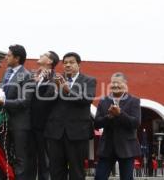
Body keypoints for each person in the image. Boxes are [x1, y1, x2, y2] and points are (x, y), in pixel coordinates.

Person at [44, 52, 97, 180]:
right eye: (65, 63)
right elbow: (45, 101)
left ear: (79, 64)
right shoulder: (55, 80)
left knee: (77, 171)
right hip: (56, 133)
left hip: (78, 133)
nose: (68, 65)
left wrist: (68, 90)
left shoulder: (89, 80)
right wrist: (55, 89)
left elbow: (87, 99)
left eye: (71, 62)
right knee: (56, 170)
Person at [0, 44, 33, 180]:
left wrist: (4, 103)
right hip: (4, 123)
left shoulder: (27, 76)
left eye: (9, 55)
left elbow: (24, 101)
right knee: (2, 156)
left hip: (19, 125)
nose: (6, 57)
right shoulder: (7, 73)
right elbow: (1, 92)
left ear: (17, 58)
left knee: (20, 159)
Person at [94, 72, 141, 180]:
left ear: (125, 84)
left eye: (118, 83)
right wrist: (108, 117)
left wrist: (120, 114)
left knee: (126, 178)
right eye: (113, 83)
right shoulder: (104, 101)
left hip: (127, 147)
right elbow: (96, 123)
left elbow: (136, 123)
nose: (115, 85)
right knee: (99, 177)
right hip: (106, 147)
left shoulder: (133, 101)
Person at [29, 51, 60, 180]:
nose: (40, 55)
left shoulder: (55, 78)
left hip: (45, 126)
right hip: (31, 124)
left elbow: (48, 99)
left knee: (44, 161)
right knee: (31, 159)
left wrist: (39, 83)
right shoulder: (35, 76)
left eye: (44, 54)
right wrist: (34, 83)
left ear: (50, 61)